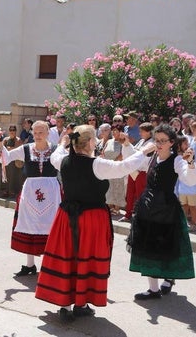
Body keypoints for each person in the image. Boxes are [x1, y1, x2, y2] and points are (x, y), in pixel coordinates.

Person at [35, 125, 154, 322]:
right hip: (90, 219)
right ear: (90, 142)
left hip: (66, 218)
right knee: (86, 259)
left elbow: (55, 155)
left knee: (68, 256)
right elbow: (124, 167)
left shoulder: (63, 160)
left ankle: (66, 306)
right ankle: (80, 303)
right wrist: (143, 151)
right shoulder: (97, 165)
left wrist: (63, 144)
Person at [129, 124, 196, 300]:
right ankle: (153, 289)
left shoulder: (177, 160)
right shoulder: (150, 157)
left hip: (166, 209)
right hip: (148, 207)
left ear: (171, 142)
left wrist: (190, 163)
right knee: (148, 246)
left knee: (166, 246)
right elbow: (129, 163)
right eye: (156, 140)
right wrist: (142, 150)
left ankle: (169, 277)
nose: (158, 144)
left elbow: (189, 180)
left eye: (162, 141)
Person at [0, 120, 60, 276]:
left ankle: (51, 264)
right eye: (35, 132)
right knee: (30, 226)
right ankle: (30, 264)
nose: (38, 135)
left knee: (52, 228)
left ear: (48, 133)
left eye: (41, 132)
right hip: (30, 193)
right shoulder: (25, 149)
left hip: (52, 193)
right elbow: (6, 157)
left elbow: (67, 163)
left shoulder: (56, 150)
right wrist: (0, 144)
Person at [122, 122, 154, 222]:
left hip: (142, 172)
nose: (140, 133)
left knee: (140, 195)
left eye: (142, 131)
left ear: (149, 132)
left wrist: (128, 145)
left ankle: (141, 216)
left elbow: (142, 156)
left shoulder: (152, 143)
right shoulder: (141, 141)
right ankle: (128, 214)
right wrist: (127, 143)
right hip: (133, 170)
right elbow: (134, 154)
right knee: (130, 193)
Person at [102, 124, 126, 216]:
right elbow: (103, 152)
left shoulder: (122, 142)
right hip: (108, 167)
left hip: (117, 167)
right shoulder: (109, 141)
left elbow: (122, 155)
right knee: (108, 187)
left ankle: (117, 208)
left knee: (117, 187)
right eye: (113, 130)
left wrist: (113, 163)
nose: (114, 132)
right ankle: (110, 207)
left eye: (117, 130)